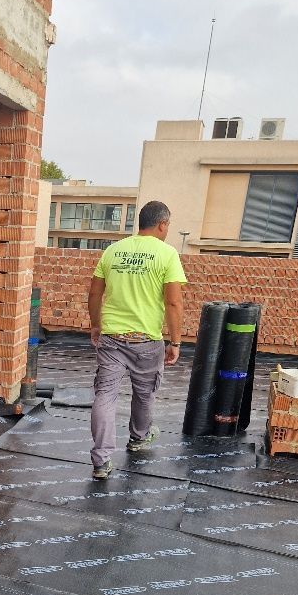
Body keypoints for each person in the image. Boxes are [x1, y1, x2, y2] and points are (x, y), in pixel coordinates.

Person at [86, 200, 186, 479]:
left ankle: (101, 461)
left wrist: (96, 325)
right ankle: (139, 438)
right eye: (168, 225)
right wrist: (175, 342)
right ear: (162, 224)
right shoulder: (167, 254)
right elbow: (174, 303)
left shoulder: (113, 250)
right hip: (146, 342)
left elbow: (94, 294)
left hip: (111, 339)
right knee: (144, 394)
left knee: (105, 396)